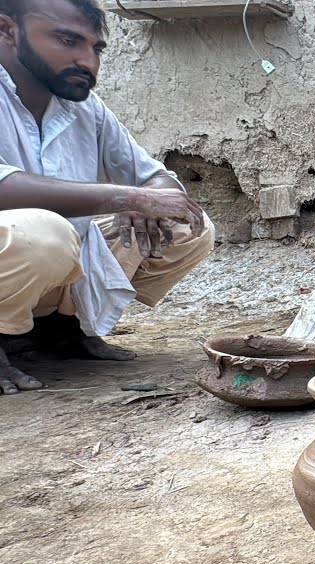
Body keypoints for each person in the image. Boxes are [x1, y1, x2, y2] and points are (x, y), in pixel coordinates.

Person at [0, 0, 213, 394]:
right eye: (68, 40)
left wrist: (144, 196)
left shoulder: (85, 107)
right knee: (41, 232)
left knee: (187, 229)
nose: (87, 61)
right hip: (26, 244)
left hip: (46, 254)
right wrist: (122, 197)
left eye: (95, 49)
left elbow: (158, 180)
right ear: (7, 30)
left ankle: (62, 329)